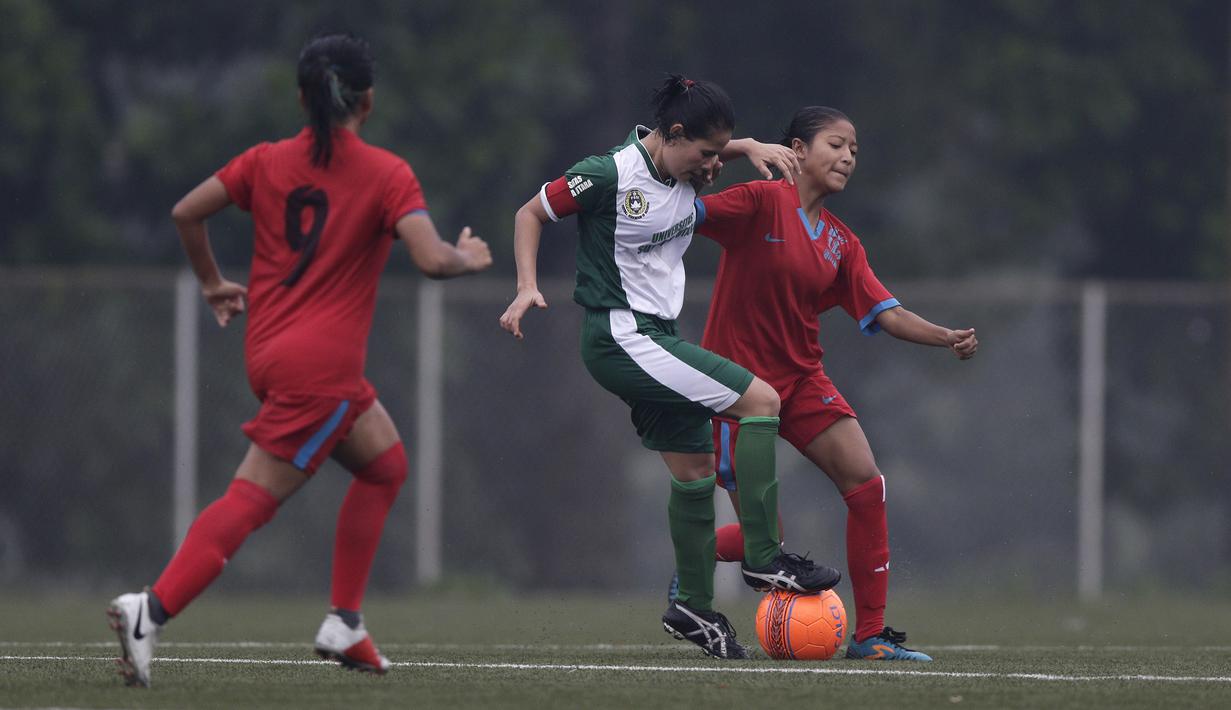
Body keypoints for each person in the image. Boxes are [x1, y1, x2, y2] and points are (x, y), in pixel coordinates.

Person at [106, 34, 492, 687]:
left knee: (385, 465)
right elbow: (430, 260)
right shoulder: (387, 173)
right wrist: (468, 257)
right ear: (366, 101)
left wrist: (211, 283)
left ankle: (345, 621)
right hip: (322, 374)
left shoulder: (265, 160)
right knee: (250, 499)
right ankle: (151, 610)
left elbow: (185, 212)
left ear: (301, 99)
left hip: (270, 355)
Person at [499, 75, 842, 660]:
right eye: (707, 154)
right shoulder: (609, 173)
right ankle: (764, 560)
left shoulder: (686, 162)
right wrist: (527, 285)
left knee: (695, 471)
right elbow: (530, 213)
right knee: (761, 402)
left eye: (720, 153)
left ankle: (693, 608)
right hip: (619, 333)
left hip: (650, 335)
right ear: (675, 135)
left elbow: (717, 149)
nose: (713, 167)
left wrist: (749, 146)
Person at [691, 105, 978, 662]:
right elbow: (682, 203)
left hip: (800, 382)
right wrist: (737, 148)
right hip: (738, 390)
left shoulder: (842, 243)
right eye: (836, 144)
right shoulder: (758, 201)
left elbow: (887, 313)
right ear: (796, 150)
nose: (848, 156)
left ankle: (870, 637)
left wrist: (946, 336)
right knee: (762, 543)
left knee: (867, 484)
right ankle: (690, 556)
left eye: (855, 150)